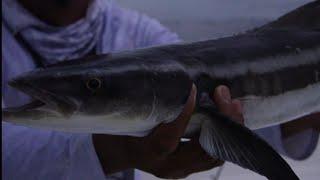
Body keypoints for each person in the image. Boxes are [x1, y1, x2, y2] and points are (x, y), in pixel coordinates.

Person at [2, 0, 319, 180]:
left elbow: (235, 112)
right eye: (93, 85)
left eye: (93, 85)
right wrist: (119, 152)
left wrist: (305, 115)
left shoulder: (138, 31)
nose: (92, 87)